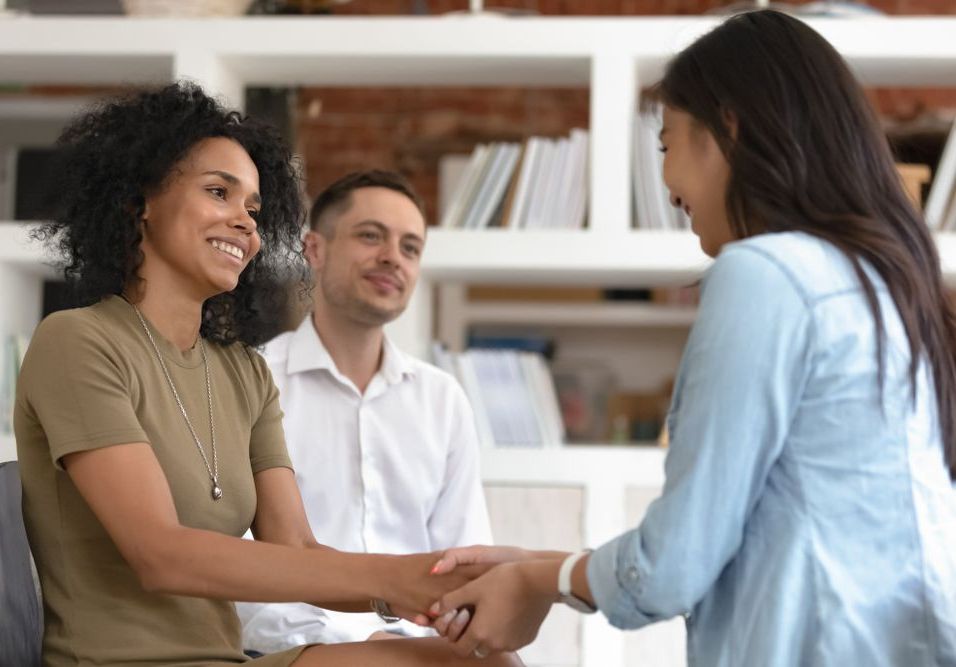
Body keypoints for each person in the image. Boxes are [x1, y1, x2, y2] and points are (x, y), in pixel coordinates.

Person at [427, 10, 956, 666]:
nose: (668, 181)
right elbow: (760, 524)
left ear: (726, 127)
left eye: (666, 143)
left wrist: (544, 580)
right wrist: (546, 565)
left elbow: (673, 565)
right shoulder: (880, 280)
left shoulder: (765, 274)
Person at [14, 82, 520, 667]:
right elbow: (161, 555)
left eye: (253, 209)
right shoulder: (79, 341)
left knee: (485, 661)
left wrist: (420, 596)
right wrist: (396, 577)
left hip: (233, 660)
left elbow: (297, 548)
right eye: (218, 193)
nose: (244, 224)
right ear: (139, 202)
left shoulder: (245, 373)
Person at [238, 170, 492, 652]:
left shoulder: (443, 399)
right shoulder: (255, 381)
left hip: (423, 652)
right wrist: (364, 645)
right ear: (315, 249)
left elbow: (463, 563)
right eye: (371, 236)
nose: (392, 257)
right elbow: (239, 570)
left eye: (410, 247)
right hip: (295, 652)